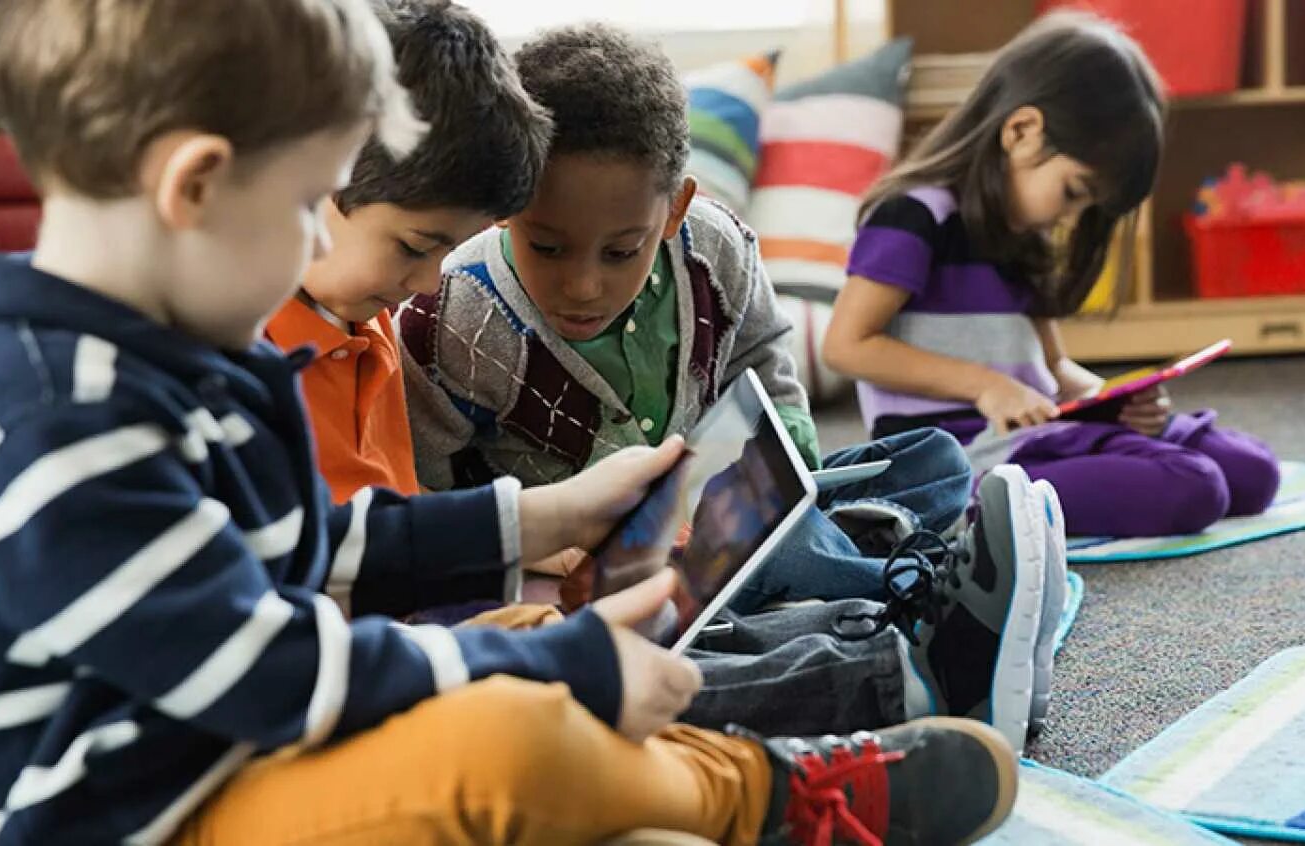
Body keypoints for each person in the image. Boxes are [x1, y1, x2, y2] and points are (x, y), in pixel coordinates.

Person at [0, 1, 1019, 843]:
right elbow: (275, 673)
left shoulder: (151, 361)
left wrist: (536, 519)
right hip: (151, 808)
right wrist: (556, 671)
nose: (318, 241)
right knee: (515, 731)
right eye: (308, 205)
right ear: (195, 186)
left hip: (218, 746)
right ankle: (764, 796)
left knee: (532, 634)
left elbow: (304, 546)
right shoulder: (61, 422)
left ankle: (684, 775)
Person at [400, 22, 1071, 747]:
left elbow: (764, 356)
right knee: (776, 554)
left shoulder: (714, 246)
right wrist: (543, 544)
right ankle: (915, 607)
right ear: (505, 207)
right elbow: (427, 503)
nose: (585, 283)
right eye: (547, 246)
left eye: (622, 250)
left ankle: (885, 574)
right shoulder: (456, 314)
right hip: (591, 566)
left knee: (932, 458)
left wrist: (789, 467)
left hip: (715, 503)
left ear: (676, 209)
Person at [821, 11, 1281, 539]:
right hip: (960, 454)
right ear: (1021, 131)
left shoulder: (1020, 234)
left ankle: (1069, 468)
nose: (1071, 218)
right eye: (1074, 193)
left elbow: (1054, 366)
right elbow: (846, 346)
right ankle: (962, 507)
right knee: (1194, 485)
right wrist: (987, 386)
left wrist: (1118, 401)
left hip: (1035, 431)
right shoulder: (914, 215)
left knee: (1252, 471)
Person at [264, 0, 549, 505]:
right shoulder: (243, 359)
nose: (428, 282)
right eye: (415, 247)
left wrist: (534, 534)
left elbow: (388, 502)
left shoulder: (368, 323)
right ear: (318, 179)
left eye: (452, 250)